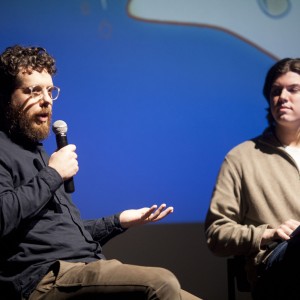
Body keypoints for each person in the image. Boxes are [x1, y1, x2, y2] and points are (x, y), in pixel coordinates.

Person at [0, 45, 201, 300]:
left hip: (84, 267)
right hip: (44, 280)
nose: (46, 100)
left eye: (50, 91)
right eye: (33, 90)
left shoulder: (38, 153)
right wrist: (53, 174)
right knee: (160, 283)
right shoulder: (6, 151)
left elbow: (62, 233)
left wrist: (119, 221)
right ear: (6, 96)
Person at [205, 57, 300, 299]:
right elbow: (216, 234)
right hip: (275, 264)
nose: (282, 97)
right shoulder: (241, 158)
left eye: (293, 89)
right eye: (276, 91)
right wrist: (267, 234)